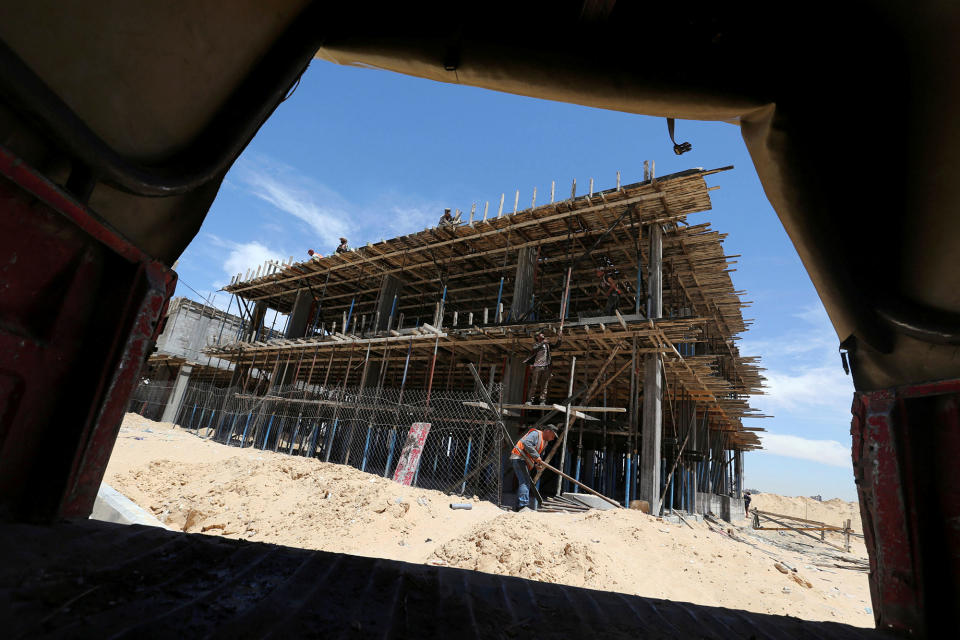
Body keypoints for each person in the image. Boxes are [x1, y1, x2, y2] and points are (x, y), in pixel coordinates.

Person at [510, 424, 558, 511]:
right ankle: (522, 506)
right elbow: (526, 443)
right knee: (525, 481)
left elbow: (536, 456)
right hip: (519, 457)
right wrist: (536, 456)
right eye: (553, 435)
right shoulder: (536, 434)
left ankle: (518, 507)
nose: (553, 438)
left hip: (524, 460)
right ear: (548, 431)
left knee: (524, 481)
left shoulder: (545, 442)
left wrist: (537, 465)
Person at [523, 329, 562, 404]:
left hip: (546, 367)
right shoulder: (536, 344)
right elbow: (534, 349)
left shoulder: (547, 345)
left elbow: (556, 346)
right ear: (537, 337)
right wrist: (542, 343)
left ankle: (542, 400)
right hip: (537, 367)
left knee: (544, 384)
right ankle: (529, 400)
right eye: (541, 334)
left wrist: (559, 338)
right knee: (534, 384)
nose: (543, 334)